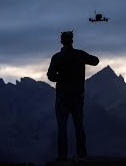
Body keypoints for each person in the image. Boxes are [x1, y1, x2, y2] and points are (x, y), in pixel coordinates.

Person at [47, 31, 99, 161]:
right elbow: (95, 61)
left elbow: (51, 76)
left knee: (62, 126)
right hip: (77, 95)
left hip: (62, 96)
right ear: (72, 40)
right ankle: (82, 154)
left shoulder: (57, 57)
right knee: (79, 125)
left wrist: (61, 77)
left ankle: (62, 156)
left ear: (61, 41)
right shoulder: (80, 55)